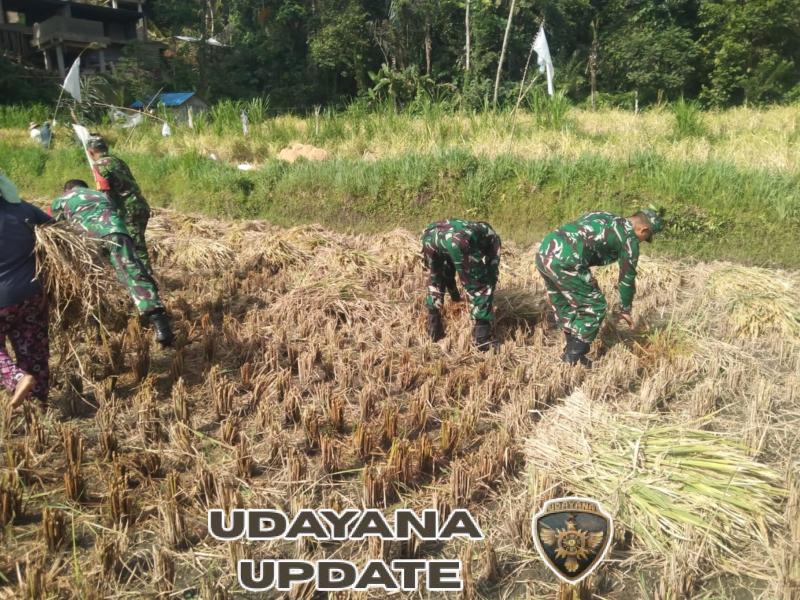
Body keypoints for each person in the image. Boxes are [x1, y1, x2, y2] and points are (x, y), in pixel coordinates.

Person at [50, 180, 174, 347]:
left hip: (88, 241)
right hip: (116, 232)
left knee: (91, 281)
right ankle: (161, 326)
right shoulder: (102, 196)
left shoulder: (62, 200)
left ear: (67, 189)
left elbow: (55, 227)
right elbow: (118, 212)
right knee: (133, 273)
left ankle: (96, 327)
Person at [535, 208, 665, 366]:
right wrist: (625, 309)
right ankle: (572, 359)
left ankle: (572, 349)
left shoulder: (605, 215)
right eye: (646, 237)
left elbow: (582, 233)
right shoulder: (630, 240)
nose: (643, 241)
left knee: (565, 303)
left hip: (545, 250)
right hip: (568, 261)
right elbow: (627, 279)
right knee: (595, 306)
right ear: (643, 230)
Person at [0, 174, 51, 410]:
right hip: (32, 294)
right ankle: (38, 403)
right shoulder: (24, 210)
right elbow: (58, 231)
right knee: (33, 349)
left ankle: (18, 378)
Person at [421, 219, 501, 351]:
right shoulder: (493, 238)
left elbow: (447, 273)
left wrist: (456, 298)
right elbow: (492, 271)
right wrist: (486, 291)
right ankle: (482, 338)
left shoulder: (469, 228)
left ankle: (433, 329)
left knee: (436, 279)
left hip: (429, 235)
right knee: (480, 285)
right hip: (457, 240)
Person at [85, 136, 153, 272]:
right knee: (135, 242)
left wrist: (105, 215)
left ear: (91, 152)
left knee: (135, 244)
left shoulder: (98, 166)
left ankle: (146, 278)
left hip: (127, 209)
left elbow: (104, 192)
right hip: (140, 205)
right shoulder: (118, 161)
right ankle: (137, 272)